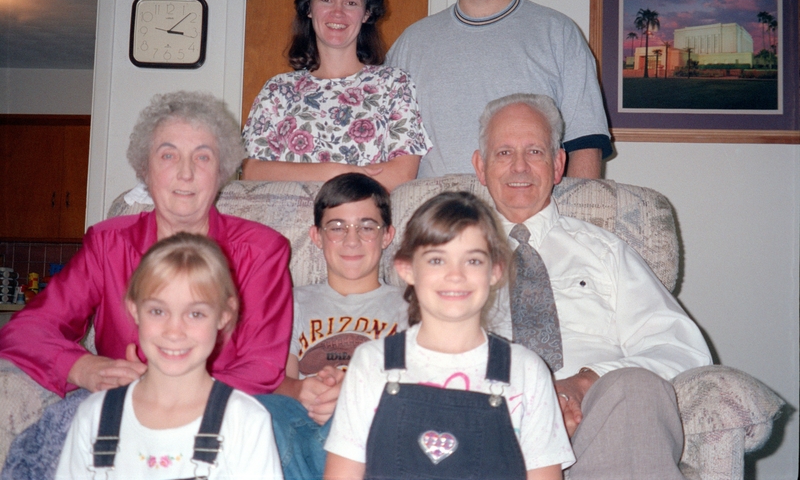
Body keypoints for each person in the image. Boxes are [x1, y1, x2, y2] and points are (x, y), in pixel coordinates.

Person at [0, 91, 292, 479]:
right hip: (118, 413)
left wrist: (173, 399)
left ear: (221, 171)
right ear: (145, 169)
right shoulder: (108, 244)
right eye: (168, 155)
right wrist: (80, 366)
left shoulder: (261, 251)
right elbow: (27, 330)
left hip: (220, 412)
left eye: (202, 157)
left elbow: (261, 366)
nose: (185, 173)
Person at [471, 93, 712, 479]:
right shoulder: (448, 257)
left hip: (600, 426)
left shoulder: (605, 251)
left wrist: (585, 382)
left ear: (558, 164)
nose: (519, 166)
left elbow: (682, 349)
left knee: (636, 389)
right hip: (492, 424)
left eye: (534, 151)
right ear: (480, 167)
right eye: (503, 153)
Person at [324, 191, 574, 480]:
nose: (455, 275)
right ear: (407, 269)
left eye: (473, 261)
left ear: (495, 271)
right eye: (436, 260)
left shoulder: (526, 371)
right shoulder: (372, 363)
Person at [55, 233, 284, 480]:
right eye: (157, 311)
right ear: (135, 310)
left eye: (195, 314)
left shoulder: (245, 421)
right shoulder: (94, 417)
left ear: (224, 315)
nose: (174, 332)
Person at [386, 0, 612, 180]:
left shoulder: (559, 34)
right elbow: (384, 151)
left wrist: (578, 215)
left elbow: (586, 143)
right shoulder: (410, 44)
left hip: (529, 213)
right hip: (435, 212)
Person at [259, 173, 408, 480]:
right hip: (303, 422)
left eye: (367, 227)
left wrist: (352, 395)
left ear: (387, 235)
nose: (351, 240)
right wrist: (301, 389)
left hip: (369, 422)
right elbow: (277, 381)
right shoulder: (291, 301)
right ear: (316, 236)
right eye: (336, 227)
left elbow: (415, 386)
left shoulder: (408, 306)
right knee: (261, 409)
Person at [241, 0, 432, 191]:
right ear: (309, 8)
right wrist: (335, 171)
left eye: (351, 2)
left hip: (363, 225)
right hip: (287, 225)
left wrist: (311, 175)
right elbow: (251, 172)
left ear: (366, 13)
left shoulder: (393, 85)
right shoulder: (277, 90)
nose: (337, 12)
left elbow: (401, 175)